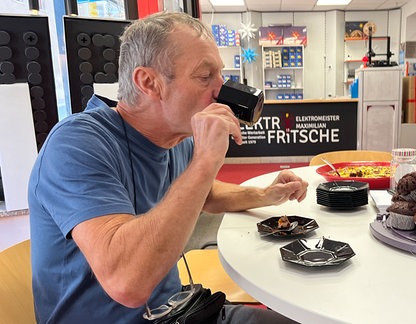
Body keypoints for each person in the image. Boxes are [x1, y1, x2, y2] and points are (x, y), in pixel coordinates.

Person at [28, 11, 307, 324]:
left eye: (220, 76)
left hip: (177, 312)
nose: (221, 91)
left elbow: (205, 193)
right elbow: (127, 284)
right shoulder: (77, 145)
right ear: (149, 83)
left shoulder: (178, 139)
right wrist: (205, 162)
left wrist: (265, 195)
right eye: (205, 77)